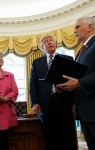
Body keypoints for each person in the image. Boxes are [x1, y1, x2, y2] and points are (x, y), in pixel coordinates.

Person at [29, 34, 78, 150]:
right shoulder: (36, 63)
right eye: (46, 41)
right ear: (42, 46)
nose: (49, 42)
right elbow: (33, 84)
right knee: (49, 136)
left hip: (65, 102)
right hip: (45, 104)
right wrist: (34, 103)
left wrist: (75, 102)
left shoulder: (68, 59)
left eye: (51, 40)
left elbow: (74, 83)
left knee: (67, 134)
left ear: (55, 43)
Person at [56, 16, 95, 150]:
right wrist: (67, 86)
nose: (74, 31)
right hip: (85, 111)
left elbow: (81, 80)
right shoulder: (82, 49)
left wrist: (80, 83)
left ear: (90, 27)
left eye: (77, 27)